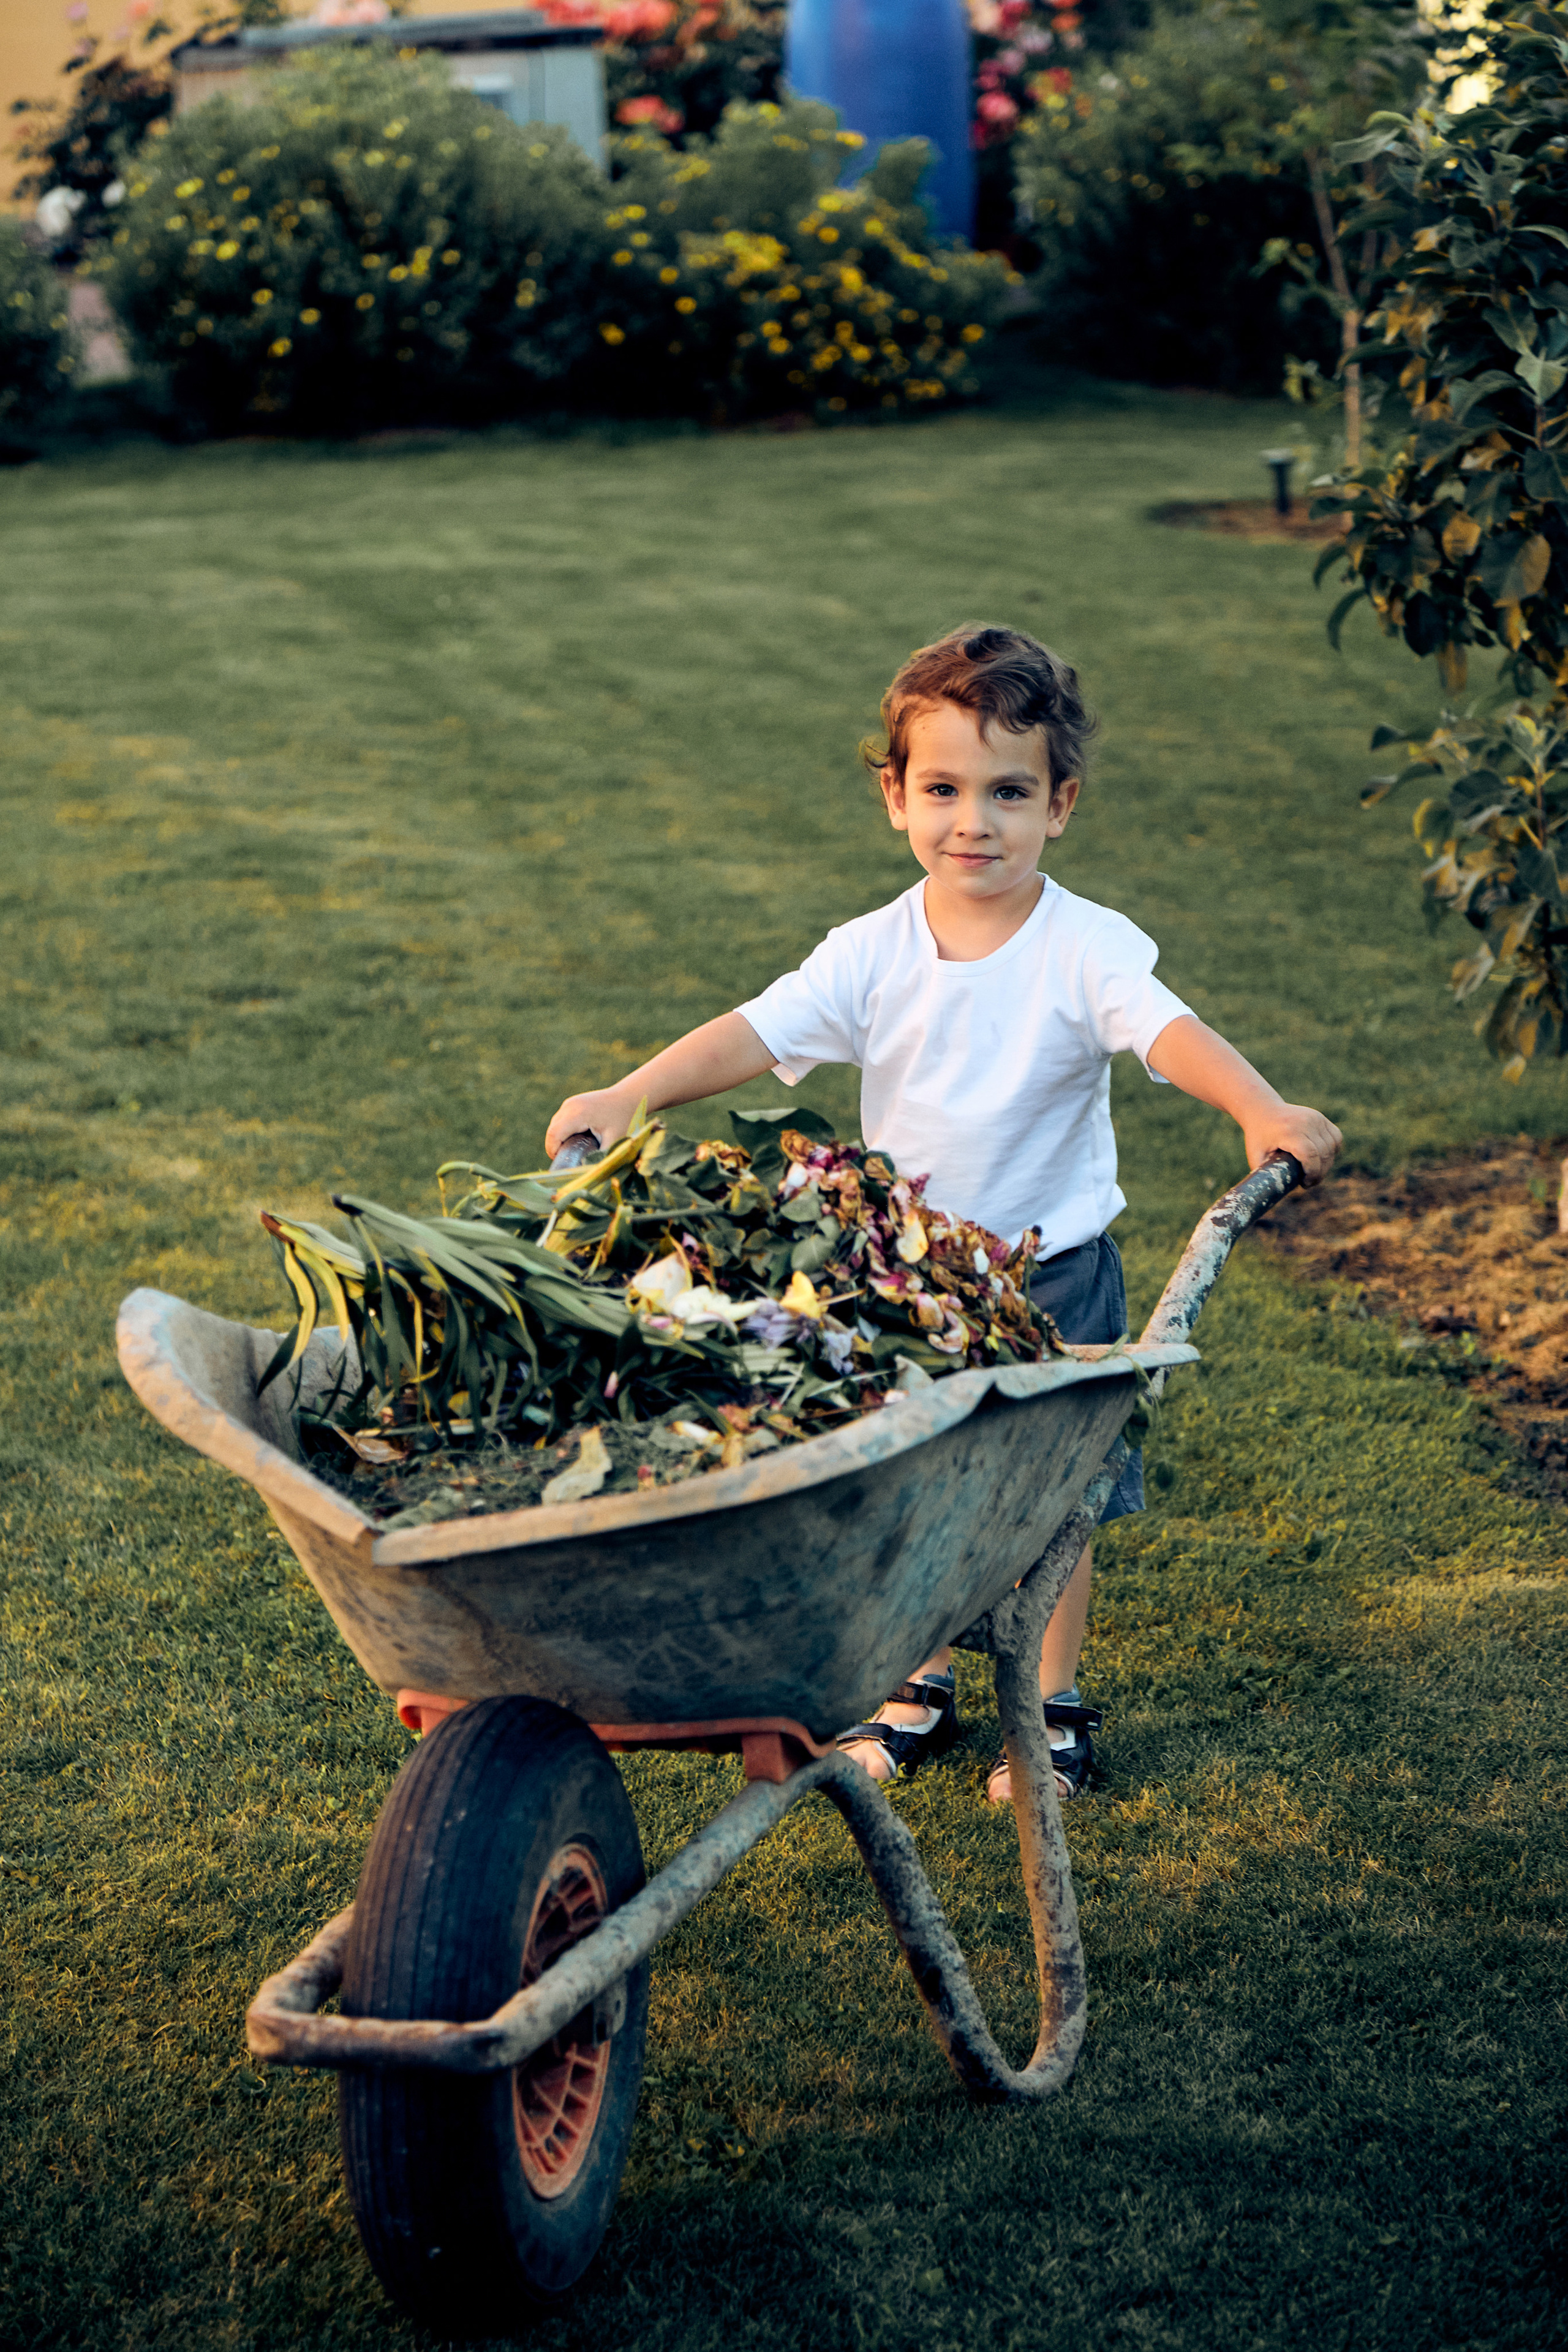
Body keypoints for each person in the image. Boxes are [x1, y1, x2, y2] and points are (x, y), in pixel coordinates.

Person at [546, 625, 1341, 1806]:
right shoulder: (870, 954)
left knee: (1050, 1510)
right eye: (945, 790)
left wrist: (1260, 1106)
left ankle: (1050, 1710)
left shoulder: (1087, 947)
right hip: (908, 1288)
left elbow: (1167, 1032)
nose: (976, 821)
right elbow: (757, 1032)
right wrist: (630, 1092)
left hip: (1053, 1276)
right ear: (896, 798)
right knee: (907, 1492)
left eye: (1010, 792)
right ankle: (914, 1685)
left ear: (1060, 805)